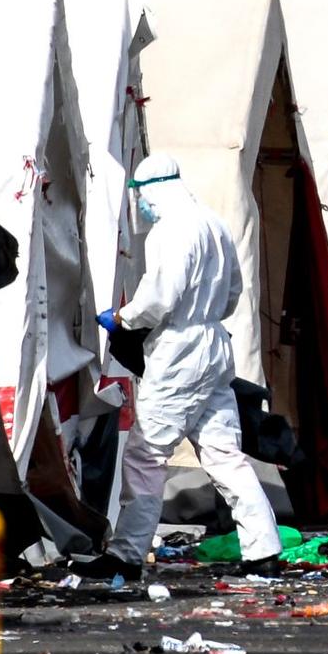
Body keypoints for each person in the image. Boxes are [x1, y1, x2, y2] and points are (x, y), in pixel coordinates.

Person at [77, 154, 282, 576]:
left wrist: (123, 318)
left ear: (150, 190)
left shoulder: (169, 231)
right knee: (225, 455)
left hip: (178, 352)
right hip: (214, 346)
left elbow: (159, 299)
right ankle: (264, 549)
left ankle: (127, 554)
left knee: (146, 454)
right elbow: (232, 293)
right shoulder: (214, 223)